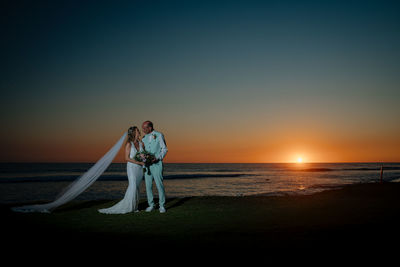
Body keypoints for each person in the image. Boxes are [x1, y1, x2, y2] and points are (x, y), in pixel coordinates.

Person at [98, 126, 145, 214]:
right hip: (132, 168)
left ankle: (134, 206)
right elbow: (127, 158)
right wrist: (139, 162)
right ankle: (128, 207)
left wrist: (144, 159)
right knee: (133, 186)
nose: (139, 131)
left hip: (139, 169)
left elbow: (143, 154)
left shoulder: (141, 143)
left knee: (137, 187)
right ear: (134, 133)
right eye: (137, 130)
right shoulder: (129, 144)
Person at [141, 121, 168, 213]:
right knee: (148, 186)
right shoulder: (143, 138)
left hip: (157, 164)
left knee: (159, 185)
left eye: (144, 128)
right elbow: (142, 151)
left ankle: (162, 205)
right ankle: (151, 205)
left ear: (150, 127)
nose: (143, 130)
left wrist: (158, 158)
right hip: (147, 166)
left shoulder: (159, 135)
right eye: (142, 128)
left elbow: (164, 149)